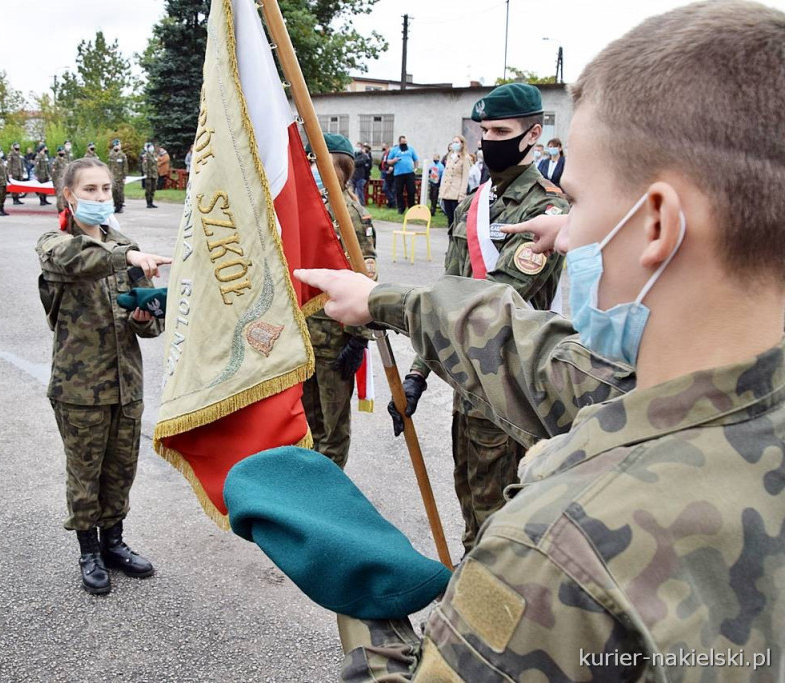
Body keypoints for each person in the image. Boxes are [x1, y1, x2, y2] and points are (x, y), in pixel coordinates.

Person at [291, 3, 785, 679]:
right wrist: (386, 301)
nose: (565, 232)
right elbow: (546, 360)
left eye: (576, 203)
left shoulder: (557, 551)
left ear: (659, 224)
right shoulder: (738, 397)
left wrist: (365, 597)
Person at [391, 83, 569, 553]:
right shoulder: (473, 203)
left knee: (502, 523)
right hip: (467, 382)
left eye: (502, 130)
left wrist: (387, 304)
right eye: (484, 130)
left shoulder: (547, 208)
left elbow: (493, 297)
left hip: (512, 385)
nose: (489, 140)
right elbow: (447, 291)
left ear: (533, 135)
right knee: (470, 503)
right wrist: (416, 374)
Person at [35, 157, 172, 595]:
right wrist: (127, 256)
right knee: (85, 471)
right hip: (79, 386)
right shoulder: (55, 243)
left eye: (106, 189)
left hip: (125, 381)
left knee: (120, 469)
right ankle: (88, 550)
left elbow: (150, 325)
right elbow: (79, 260)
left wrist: (142, 315)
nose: (100, 197)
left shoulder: (125, 243)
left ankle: (114, 541)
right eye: (90, 190)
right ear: (69, 195)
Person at [303, 134, 377, 469]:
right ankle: (310, 484)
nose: (311, 167)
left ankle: (327, 493)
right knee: (308, 420)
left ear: (341, 169)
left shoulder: (350, 213)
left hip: (335, 337)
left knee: (332, 427)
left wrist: (358, 338)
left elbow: (366, 278)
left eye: (318, 161)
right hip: (306, 333)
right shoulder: (310, 206)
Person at [439, 135, 470, 227]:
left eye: (457, 142)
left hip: (456, 193)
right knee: (449, 219)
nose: (454, 144)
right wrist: (441, 191)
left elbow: (465, 177)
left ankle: (455, 239)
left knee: (455, 219)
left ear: (462, 144)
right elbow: (445, 175)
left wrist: (462, 194)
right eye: (453, 142)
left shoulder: (465, 158)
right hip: (446, 192)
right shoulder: (449, 157)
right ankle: (450, 238)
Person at [386, 136, 418, 214]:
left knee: (411, 191)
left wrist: (415, 168)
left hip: (409, 173)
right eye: (402, 142)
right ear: (399, 142)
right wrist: (394, 160)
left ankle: (411, 208)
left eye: (405, 142)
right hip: (398, 174)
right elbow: (388, 161)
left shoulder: (411, 149)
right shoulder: (394, 150)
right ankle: (401, 208)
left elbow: (416, 159)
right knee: (399, 191)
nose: (404, 144)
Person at [109, 140, 127, 213]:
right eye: (116, 145)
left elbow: (125, 167)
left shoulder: (122, 155)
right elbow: (109, 166)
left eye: (118, 145)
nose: (117, 146)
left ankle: (120, 205)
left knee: (120, 191)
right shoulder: (111, 155)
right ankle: (116, 205)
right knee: (114, 191)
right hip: (113, 176)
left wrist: (124, 177)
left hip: (120, 177)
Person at [51, 145, 70, 214]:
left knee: (65, 195)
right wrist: (55, 183)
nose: (62, 152)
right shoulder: (56, 161)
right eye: (61, 151)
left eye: (63, 151)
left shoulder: (65, 160)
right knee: (60, 196)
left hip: (65, 179)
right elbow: (53, 173)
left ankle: (65, 209)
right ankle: (60, 210)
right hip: (59, 180)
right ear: (58, 152)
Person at [141, 142, 159, 209]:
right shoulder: (146, 155)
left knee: (153, 189)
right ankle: (148, 203)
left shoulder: (154, 155)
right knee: (148, 189)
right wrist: (145, 173)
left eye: (152, 146)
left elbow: (156, 165)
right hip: (149, 175)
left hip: (154, 174)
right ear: (148, 148)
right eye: (151, 147)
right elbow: (144, 165)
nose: (152, 148)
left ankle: (151, 202)